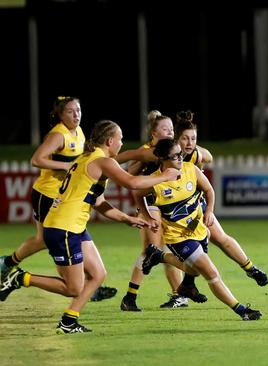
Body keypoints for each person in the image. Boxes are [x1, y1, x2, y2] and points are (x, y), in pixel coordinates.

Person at [0, 120, 179, 333]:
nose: (121, 144)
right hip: (63, 229)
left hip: (72, 226)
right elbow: (132, 183)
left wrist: (127, 219)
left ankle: (68, 321)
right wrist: (164, 176)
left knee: (98, 274)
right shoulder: (103, 161)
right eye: (120, 139)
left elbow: (99, 202)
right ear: (110, 141)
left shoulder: (86, 158)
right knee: (73, 288)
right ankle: (19, 278)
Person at [0, 96, 117, 302]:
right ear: (60, 115)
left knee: (53, 239)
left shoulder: (79, 133)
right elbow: (36, 159)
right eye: (70, 111)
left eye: (78, 110)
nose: (76, 115)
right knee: (52, 240)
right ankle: (10, 265)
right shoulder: (58, 134)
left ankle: (8, 264)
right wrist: (67, 166)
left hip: (64, 198)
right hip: (47, 194)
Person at [134, 138, 262, 321]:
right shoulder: (155, 181)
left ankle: (159, 257)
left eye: (181, 154)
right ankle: (242, 311)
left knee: (193, 270)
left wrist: (209, 211)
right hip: (178, 238)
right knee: (211, 273)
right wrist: (147, 216)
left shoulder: (190, 169)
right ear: (162, 158)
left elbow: (209, 190)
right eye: (175, 156)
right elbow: (137, 193)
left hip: (200, 231)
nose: (180, 158)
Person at [115, 110, 203, 311]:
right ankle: (130, 297)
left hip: (168, 204)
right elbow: (128, 161)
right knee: (151, 251)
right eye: (165, 129)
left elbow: (204, 154)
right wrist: (104, 164)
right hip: (152, 202)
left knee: (164, 250)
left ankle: (178, 294)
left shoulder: (172, 149)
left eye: (172, 129)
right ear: (153, 133)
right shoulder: (151, 151)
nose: (170, 132)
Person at [175, 111, 268, 288]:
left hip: (195, 207)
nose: (189, 143)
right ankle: (183, 289)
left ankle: (250, 268)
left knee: (219, 238)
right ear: (176, 139)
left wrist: (208, 210)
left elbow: (208, 156)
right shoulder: (165, 157)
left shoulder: (195, 155)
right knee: (179, 246)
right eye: (185, 138)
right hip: (175, 212)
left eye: (193, 139)